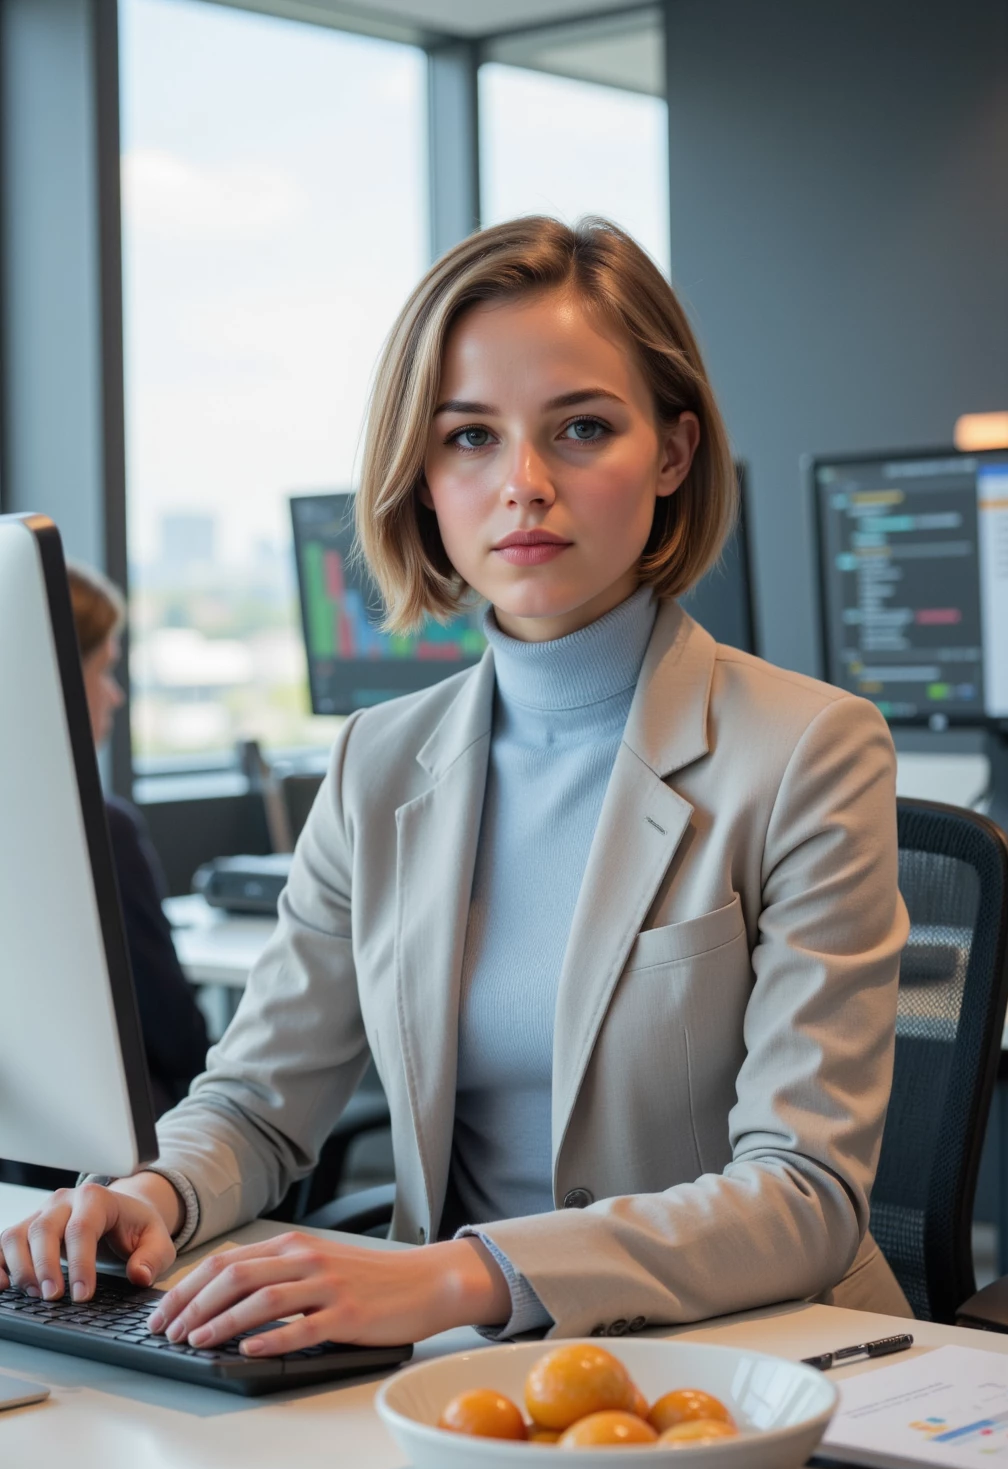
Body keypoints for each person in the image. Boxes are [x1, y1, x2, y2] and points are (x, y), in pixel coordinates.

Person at [0, 216, 910, 1347]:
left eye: (581, 427)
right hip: (460, 1379)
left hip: (748, 1365)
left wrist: (453, 1278)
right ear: (421, 478)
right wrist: (157, 1195)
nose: (523, 485)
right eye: (469, 438)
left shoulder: (809, 747)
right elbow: (256, 1101)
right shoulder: (379, 761)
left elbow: (803, 1195)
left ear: (673, 453)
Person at [67, 564, 210, 1118]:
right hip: (120, 1172)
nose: (115, 695)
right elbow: (175, 1037)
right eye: (105, 669)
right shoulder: (100, 831)